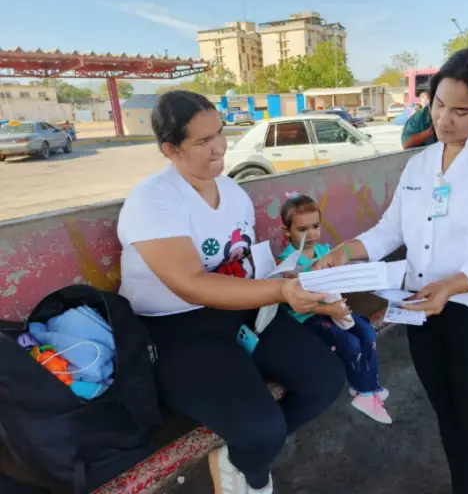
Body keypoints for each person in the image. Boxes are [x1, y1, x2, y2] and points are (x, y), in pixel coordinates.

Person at [314, 47, 468, 494]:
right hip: (423, 316)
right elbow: (388, 231)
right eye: (438, 104)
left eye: (460, 111)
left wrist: (451, 286)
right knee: (451, 425)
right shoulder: (420, 164)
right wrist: (344, 252)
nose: (444, 120)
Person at [116, 90, 344, 494]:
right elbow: (191, 284)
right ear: (171, 149)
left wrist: (304, 288)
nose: (219, 146)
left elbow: (245, 263)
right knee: (261, 426)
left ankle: (243, 453)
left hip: (241, 311)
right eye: (203, 141)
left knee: (325, 380)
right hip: (175, 331)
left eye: (219, 133)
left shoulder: (234, 193)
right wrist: (281, 291)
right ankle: (252, 471)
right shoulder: (154, 200)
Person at [277, 194, 393, 424]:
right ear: (287, 231)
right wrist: (331, 309)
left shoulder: (324, 252)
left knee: (367, 332)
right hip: (309, 316)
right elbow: (299, 302)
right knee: (349, 345)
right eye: (302, 229)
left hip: (334, 308)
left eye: (316, 226)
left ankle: (369, 389)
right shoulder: (287, 264)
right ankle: (365, 390)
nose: (311, 234)